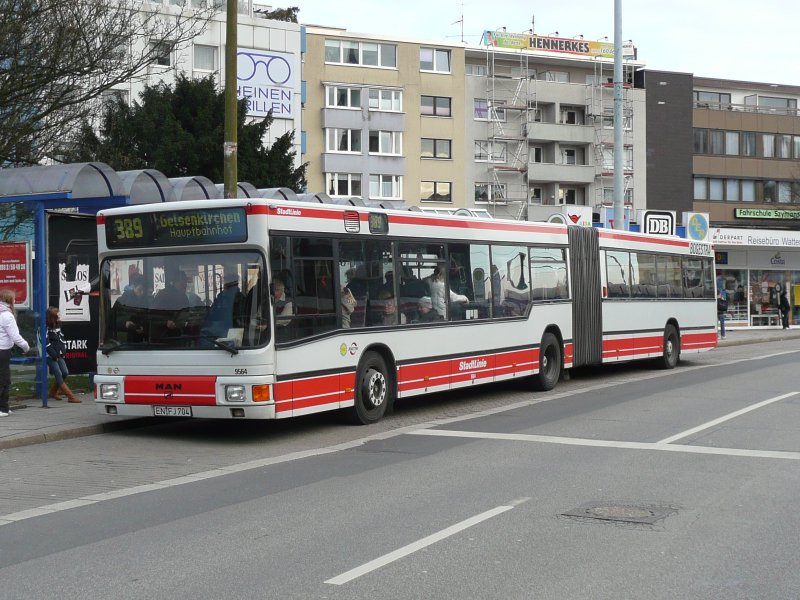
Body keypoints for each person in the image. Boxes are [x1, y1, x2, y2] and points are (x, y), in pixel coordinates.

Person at [0, 289, 30, 417]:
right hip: (3, 351)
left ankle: (4, 407)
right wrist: (26, 347)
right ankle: (2, 408)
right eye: (13, 298)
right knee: (4, 380)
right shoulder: (7, 315)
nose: (15, 300)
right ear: (8, 300)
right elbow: (15, 336)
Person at [45, 307, 79, 403]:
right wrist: (53, 355)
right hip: (49, 355)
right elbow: (45, 342)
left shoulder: (58, 324)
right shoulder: (44, 326)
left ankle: (52, 392)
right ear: (52, 316)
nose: (60, 316)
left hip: (58, 353)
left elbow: (61, 337)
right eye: (58, 314)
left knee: (65, 372)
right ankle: (70, 396)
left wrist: (63, 349)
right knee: (58, 373)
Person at [112, 273, 147, 342]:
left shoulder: (147, 300)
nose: (142, 293)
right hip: (125, 342)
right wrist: (125, 323)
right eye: (139, 290)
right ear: (133, 286)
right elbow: (112, 319)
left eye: (144, 290)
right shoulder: (122, 301)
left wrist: (144, 327)